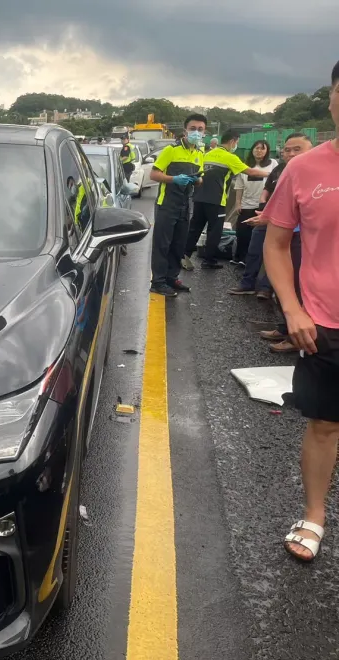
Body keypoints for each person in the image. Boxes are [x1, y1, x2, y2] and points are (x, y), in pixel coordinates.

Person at [261, 60, 339, 563]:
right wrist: (292, 309)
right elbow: (274, 243)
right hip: (326, 324)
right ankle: (314, 516)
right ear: (331, 100)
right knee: (325, 425)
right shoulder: (304, 168)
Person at [229, 133, 311, 301]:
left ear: (311, 150)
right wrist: (264, 206)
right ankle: (247, 284)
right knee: (255, 251)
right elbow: (268, 189)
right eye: (287, 150)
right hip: (267, 216)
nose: (291, 154)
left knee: (280, 258)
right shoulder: (279, 169)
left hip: (294, 227)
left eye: (297, 149)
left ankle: (266, 289)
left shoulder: (313, 173)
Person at [181, 131, 272, 270]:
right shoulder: (230, 157)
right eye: (237, 142)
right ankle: (209, 260)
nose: (236, 145)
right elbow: (250, 172)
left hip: (199, 197)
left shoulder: (207, 153)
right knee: (214, 231)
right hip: (217, 200)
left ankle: (184, 255)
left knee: (195, 228)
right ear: (232, 141)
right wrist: (272, 174)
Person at [147, 113, 207, 297]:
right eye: (193, 129)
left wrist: (197, 180)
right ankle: (157, 282)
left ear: (205, 132)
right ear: (185, 130)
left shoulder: (198, 153)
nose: (196, 132)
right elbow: (154, 174)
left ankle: (171, 278)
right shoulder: (171, 151)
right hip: (167, 204)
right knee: (162, 244)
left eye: (200, 129)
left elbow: (201, 177)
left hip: (185, 204)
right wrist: (174, 179)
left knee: (178, 244)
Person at [230, 140, 277, 266]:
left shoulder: (273, 164)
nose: (259, 151)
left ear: (267, 151)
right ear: (252, 150)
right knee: (242, 232)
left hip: (263, 204)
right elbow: (239, 186)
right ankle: (240, 258)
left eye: (263, 148)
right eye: (256, 148)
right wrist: (238, 203)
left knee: (258, 234)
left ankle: (255, 261)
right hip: (246, 203)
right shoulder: (245, 165)